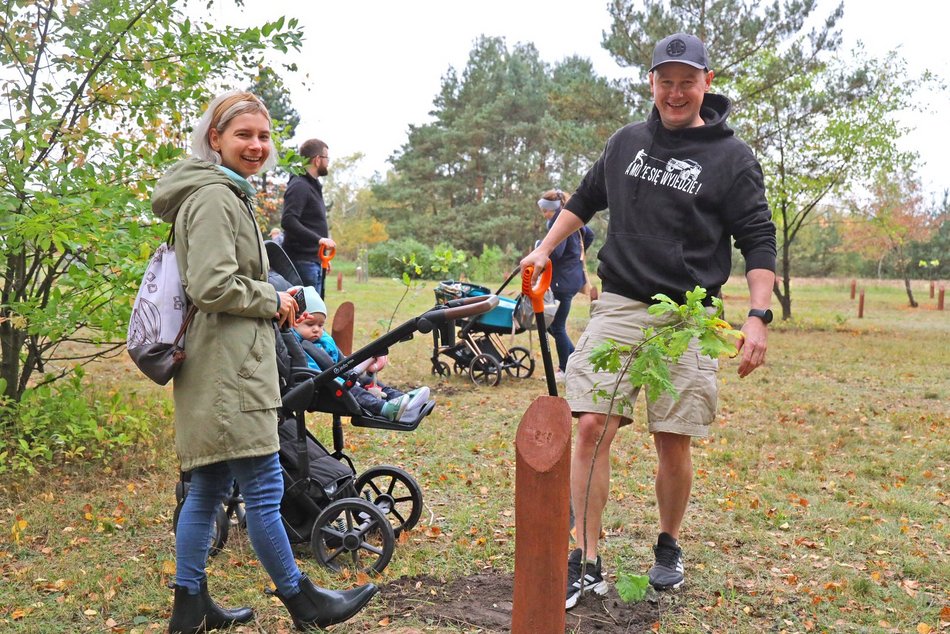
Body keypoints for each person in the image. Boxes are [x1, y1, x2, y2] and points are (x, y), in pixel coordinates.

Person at [520, 33, 776, 609]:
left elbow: (759, 239)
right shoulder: (626, 143)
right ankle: (586, 558)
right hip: (620, 302)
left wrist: (758, 316)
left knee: (672, 439)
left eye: (687, 82)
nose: (675, 93)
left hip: (688, 317)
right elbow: (583, 200)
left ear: (707, 83)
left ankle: (668, 544)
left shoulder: (732, 158)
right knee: (591, 425)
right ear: (652, 82)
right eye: (666, 81)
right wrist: (544, 248)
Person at [152, 90, 377, 633]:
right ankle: (304, 603)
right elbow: (211, 285)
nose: (256, 145)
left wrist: (269, 297)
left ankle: (190, 607)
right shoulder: (214, 197)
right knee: (264, 489)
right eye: (243, 135)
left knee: (208, 488)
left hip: (222, 363)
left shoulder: (222, 191)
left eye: (263, 136)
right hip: (229, 369)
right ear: (215, 139)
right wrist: (271, 298)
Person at [290, 287, 431, 422]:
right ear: (293, 323)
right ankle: (384, 408)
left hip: (340, 375)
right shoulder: (297, 346)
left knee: (368, 380)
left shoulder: (322, 341)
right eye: (310, 324)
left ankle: (403, 399)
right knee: (357, 392)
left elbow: (338, 360)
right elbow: (311, 372)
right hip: (325, 386)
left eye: (321, 325)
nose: (316, 330)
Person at [537, 188, 595, 382]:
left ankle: (564, 369)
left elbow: (556, 252)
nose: (544, 214)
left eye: (545, 210)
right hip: (571, 278)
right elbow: (589, 234)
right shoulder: (571, 218)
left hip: (562, 281)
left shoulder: (558, 222)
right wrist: (576, 254)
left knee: (556, 326)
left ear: (553, 208)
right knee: (552, 325)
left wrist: (539, 247)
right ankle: (575, 361)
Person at [281, 138, 335, 293]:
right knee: (306, 308)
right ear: (317, 160)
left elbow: (311, 223)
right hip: (302, 263)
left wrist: (321, 257)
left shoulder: (312, 186)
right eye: (327, 158)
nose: (328, 162)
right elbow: (288, 220)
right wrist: (319, 240)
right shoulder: (300, 185)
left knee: (315, 308)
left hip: (313, 261)